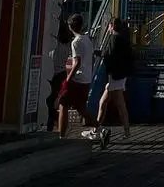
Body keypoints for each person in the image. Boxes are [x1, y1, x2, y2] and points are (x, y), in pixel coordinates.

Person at [57, 14, 107, 146]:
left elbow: (77, 62)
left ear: (70, 27)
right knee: (81, 108)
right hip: (86, 79)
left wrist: (68, 79)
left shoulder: (76, 42)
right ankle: (101, 129)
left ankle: (61, 136)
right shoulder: (87, 40)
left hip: (77, 79)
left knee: (63, 104)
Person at [98, 17, 133, 140]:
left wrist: (101, 54)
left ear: (112, 26)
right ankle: (96, 128)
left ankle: (97, 129)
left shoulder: (114, 38)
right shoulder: (124, 39)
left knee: (119, 104)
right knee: (104, 102)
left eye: (109, 26)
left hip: (114, 75)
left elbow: (110, 55)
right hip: (121, 75)